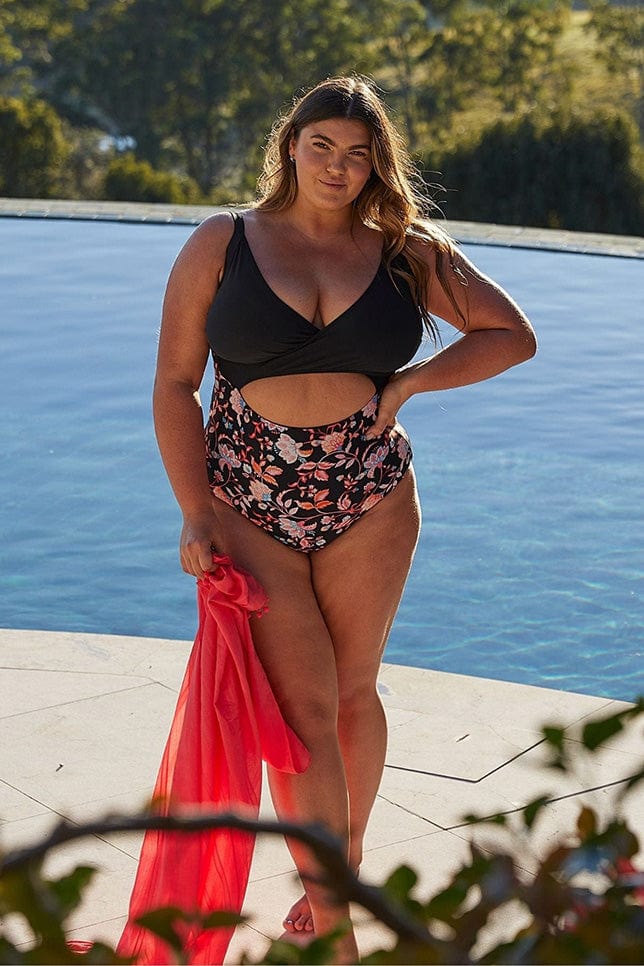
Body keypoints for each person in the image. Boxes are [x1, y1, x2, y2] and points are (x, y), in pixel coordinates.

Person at [153, 75, 536, 963]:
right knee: (305, 708)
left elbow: (510, 334)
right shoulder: (225, 242)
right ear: (291, 145)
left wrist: (411, 381)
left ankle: (341, 872)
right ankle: (337, 932)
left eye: (358, 153)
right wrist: (192, 511)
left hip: (369, 495)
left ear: (377, 164)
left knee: (354, 694)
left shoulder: (404, 251)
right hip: (249, 501)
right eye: (321, 145)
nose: (338, 165)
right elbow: (175, 383)